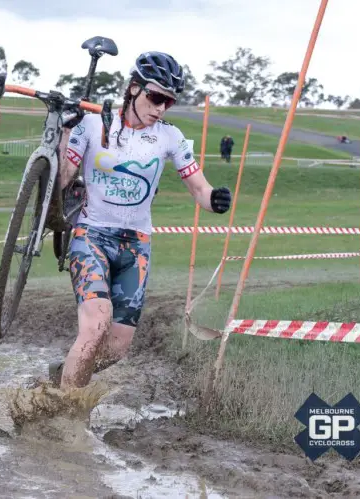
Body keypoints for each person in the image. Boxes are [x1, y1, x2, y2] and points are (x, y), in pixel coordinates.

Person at [49, 51, 232, 390]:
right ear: (134, 89)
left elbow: (198, 187)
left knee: (117, 348)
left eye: (169, 102)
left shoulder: (170, 136)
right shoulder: (93, 123)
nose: (161, 108)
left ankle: (64, 375)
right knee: (95, 326)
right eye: (156, 97)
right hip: (91, 235)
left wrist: (215, 200)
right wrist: (63, 133)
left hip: (137, 246)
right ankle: (64, 413)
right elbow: (61, 180)